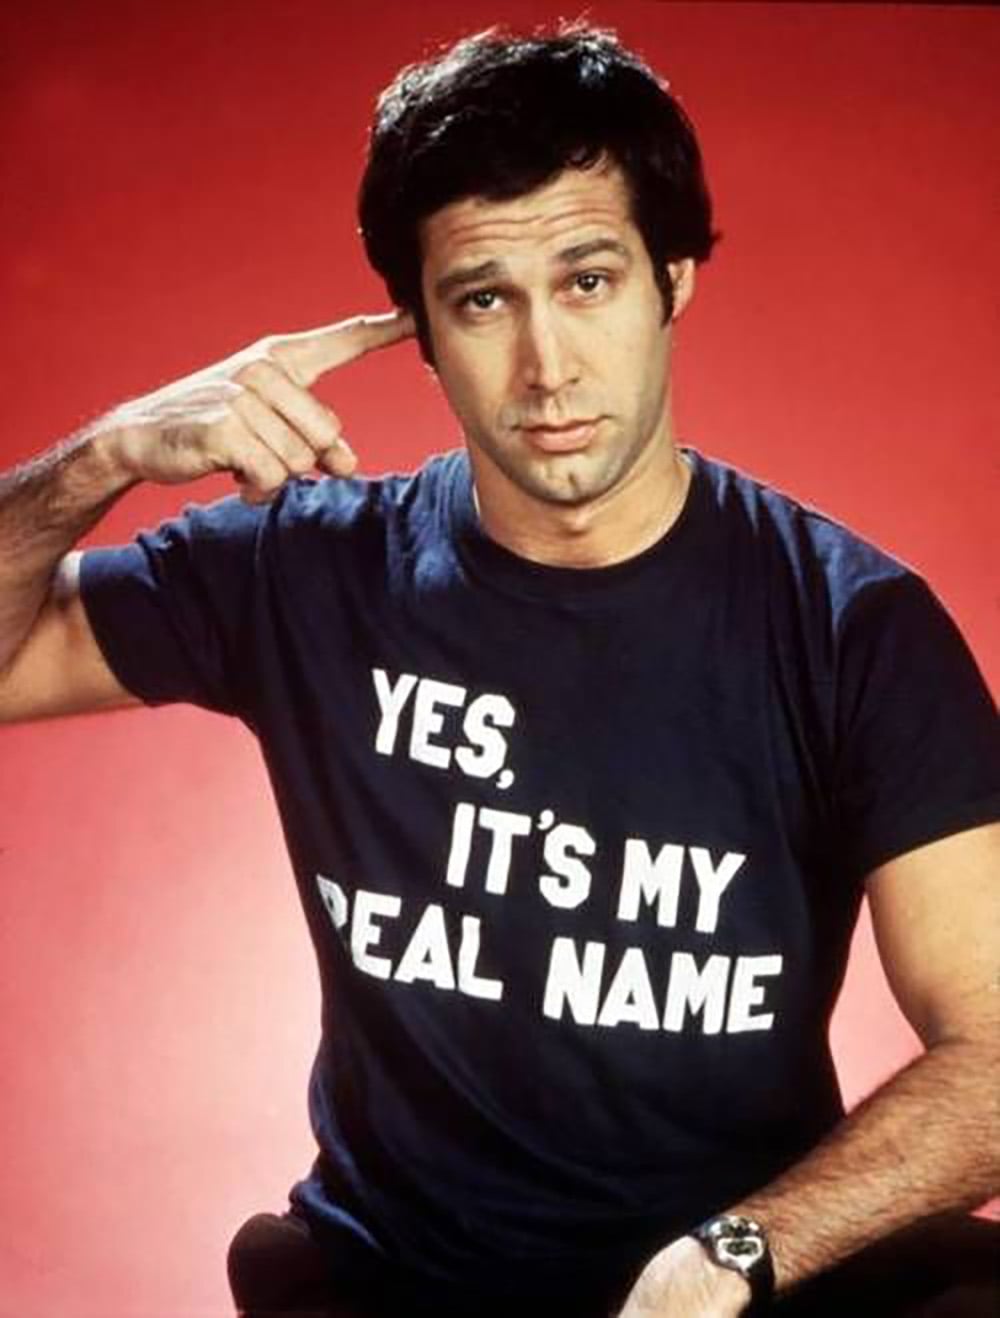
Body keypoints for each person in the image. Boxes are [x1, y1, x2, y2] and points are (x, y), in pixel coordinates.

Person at [0, 23, 997, 1318]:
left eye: (588, 279)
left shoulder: (851, 624)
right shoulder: (308, 568)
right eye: (483, 299)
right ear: (418, 327)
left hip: (746, 1283)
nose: (547, 365)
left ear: (674, 279)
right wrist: (104, 459)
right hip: (393, 1279)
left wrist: (734, 1255)